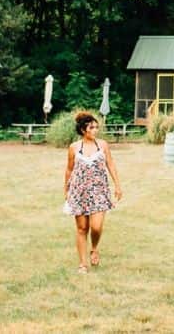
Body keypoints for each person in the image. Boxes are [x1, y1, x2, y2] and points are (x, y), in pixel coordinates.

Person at [63, 111, 122, 273]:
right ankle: (83, 264)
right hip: (79, 192)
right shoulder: (74, 148)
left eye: (96, 127)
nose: (96, 130)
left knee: (96, 227)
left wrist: (117, 185)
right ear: (83, 130)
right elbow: (69, 170)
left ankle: (94, 248)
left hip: (99, 191)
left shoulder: (102, 145)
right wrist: (66, 190)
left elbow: (110, 164)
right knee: (82, 228)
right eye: (92, 127)